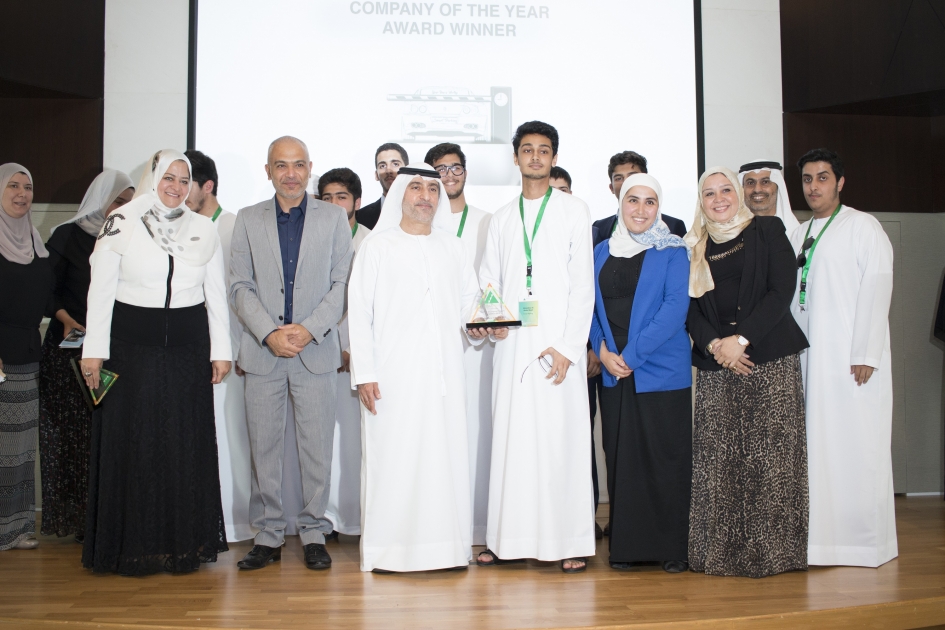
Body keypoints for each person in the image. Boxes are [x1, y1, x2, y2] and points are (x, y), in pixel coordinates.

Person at [79, 150, 231, 575]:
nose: (176, 187)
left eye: (184, 180)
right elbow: (100, 289)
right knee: (136, 445)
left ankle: (183, 544)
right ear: (153, 178)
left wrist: (221, 350)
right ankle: (133, 547)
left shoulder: (203, 228)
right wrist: (94, 351)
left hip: (187, 351)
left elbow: (215, 294)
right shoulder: (122, 221)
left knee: (183, 443)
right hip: (132, 350)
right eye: (169, 177)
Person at [475, 121, 595, 573]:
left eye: (544, 150)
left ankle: (568, 542)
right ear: (516, 158)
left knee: (560, 442)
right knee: (512, 442)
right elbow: (489, 281)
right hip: (511, 349)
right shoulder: (502, 218)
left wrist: (568, 346)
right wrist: (494, 323)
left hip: (558, 349)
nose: (535, 157)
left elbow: (583, 286)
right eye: (527, 150)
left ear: (554, 157)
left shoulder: (574, 210)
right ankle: (505, 540)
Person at [229, 136, 353, 571]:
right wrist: (269, 333)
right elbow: (239, 286)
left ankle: (315, 532)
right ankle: (267, 535)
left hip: (315, 352)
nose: (291, 173)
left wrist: (307, 329)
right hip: (263, 353)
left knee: (317, 449)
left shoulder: (334, 218)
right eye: (281, 165)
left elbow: (342, 284)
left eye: (298, 164)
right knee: (263, 450)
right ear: (268, 171)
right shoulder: (248, 219)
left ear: (309, 168)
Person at [349, 164, 480, 573]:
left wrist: (484, 324)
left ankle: (446, 550)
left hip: (445, 377)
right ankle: (390, 552)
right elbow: (359, 313)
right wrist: (365, 374)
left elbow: (470, 304)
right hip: (392, 378)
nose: (426, 196)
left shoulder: (453, 247)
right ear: (400, 194)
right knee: (394, 460)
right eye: (416, 188)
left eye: (433, 190)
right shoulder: (377, 246)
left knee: (445, 460)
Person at [686, 166, 810, 578]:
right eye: (709, 193)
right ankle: (718, 556)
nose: (719, 198)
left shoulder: (767, 230)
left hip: (768, 360)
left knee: (771, 463)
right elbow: (690, 309)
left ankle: (773, 555)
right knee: (719, 463)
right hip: (716, 364)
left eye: (726, 189)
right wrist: (715, 345)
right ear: (701, 202)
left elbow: (781, 290)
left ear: (737, 194)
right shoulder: (694, 244)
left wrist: (740, 340)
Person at [789, 149, 897, 568]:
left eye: (822, 177)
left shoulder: (862, 226)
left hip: (851, 362)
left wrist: (865, 351)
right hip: (809, 359)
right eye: (807, 179)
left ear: (840, 182)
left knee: (856, 448)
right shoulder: (800, 233)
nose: (814, 186)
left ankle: (862, 544)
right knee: (818, 452)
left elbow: (878, 285)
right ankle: (819, 544)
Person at [590, 173, 692, 573]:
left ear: (659, 208)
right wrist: (602, 350)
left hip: (658, 368)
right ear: (621, 203)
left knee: (664, 457)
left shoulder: (673, 250)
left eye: (650, 202)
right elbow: (589, 306)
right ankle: (628, 548)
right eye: (633, 200)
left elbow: (674, 310)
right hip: (613, 369)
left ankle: (671, 548)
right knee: (622, 459)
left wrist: (630, 356)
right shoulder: (601, 250)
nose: (641, 209)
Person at [39, 170, 134, 543]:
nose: (122, 209)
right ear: (100, 199)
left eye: (128, 203)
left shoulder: (126, 237)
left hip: (108, 351)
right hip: (68, 348)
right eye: (118, 201)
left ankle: (104, 516)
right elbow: (45, 290)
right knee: (72, 435)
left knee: (103, 434)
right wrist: (65, 318)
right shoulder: (67, 235)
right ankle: (76, 518)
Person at [424, 142, 493, 545]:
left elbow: (493, 283)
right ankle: (440, 525)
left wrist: (485, 323)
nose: (448, 176)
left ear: (466, 172)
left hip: (477, 346)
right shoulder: (419, 224)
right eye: (440, 170)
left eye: (455, 168)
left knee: (475, 432)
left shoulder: (486, 222)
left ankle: (477, 525)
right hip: (430, 347)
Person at [184, 149, 253, 542]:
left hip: (231, 354)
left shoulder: (232, 226)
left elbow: (241, 296)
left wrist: (236, 350)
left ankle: (235, 521)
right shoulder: (181, 226)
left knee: (232, 438)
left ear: (207, 186)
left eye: (186, 183)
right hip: (191, 350)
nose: (178, 191)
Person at [0, 164, 53, 552]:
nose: (22, 193)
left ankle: (15, 527)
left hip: (27, 355)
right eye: (13, 186)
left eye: (28, 186)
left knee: (19, 449)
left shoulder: (36, 242)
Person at [317, 167, 371, 540]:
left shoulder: (372, 241)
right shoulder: (312, 238)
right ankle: (327, 518)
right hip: (318, 352)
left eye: (342, 197)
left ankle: (359, 516)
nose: (335, 204)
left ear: (357, 202)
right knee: (322, 440)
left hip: (357, 357)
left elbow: (371, 304)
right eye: (327, 198)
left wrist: (351, 348)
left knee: (357, 440)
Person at [592, 151, 686, 247]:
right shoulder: (599, 227)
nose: (626, 182)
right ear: (611, 188)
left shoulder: (673, 226)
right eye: (619, 178)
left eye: (633, 177)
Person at [738, 160, 801, 233]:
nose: (757, 189)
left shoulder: (796, 233)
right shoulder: (732, 232)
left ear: (777, 187)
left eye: (765, 182)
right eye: (750, 183)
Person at [356, 143, 408, 230]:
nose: (388, 170)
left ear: (407, 171)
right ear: (376, 175)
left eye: (395, 164)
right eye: (382, 166)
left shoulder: (421, 211)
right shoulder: (360, 217)